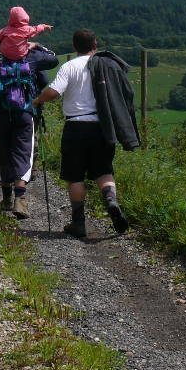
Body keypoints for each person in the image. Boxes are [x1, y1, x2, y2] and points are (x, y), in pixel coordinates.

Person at [31, 28, 139, 238]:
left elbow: (53, 92)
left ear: (74, 46)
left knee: (75, 176)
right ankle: (111, 201)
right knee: (104, 171)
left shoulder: (69, 66)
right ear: (95, 46)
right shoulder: (107, 65)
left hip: (76, 127)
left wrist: (37, 100)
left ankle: (78, 223)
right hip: (103, 126)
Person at [0, 37, 58, 218]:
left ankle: (5, 199)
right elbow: (47, 71)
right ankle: (20, 199)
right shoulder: (31, 53)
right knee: (22, 152)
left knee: (3, 153)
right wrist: (38, 45)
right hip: (25, 112)